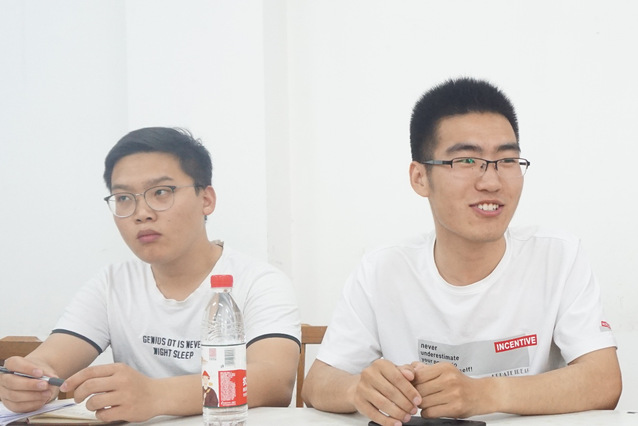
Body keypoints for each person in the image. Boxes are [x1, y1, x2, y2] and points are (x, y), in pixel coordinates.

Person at [301, 78, 622, 426]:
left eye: (507, 160)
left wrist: (484, 394)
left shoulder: (558, 258)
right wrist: (359, 389)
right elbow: (318, 383)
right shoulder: (383, 269)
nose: (491, 182)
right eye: (467, 160)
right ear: (420, 177)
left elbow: (604, 381)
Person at [0, 127, 301, 422]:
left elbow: (274, 381)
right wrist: (28, 381)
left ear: (206, 199)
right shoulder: (113, 283)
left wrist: (157, 396)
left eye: (160, 192)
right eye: (124, 198)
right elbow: (49, 361)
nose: (141, 213)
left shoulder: (259, 282)